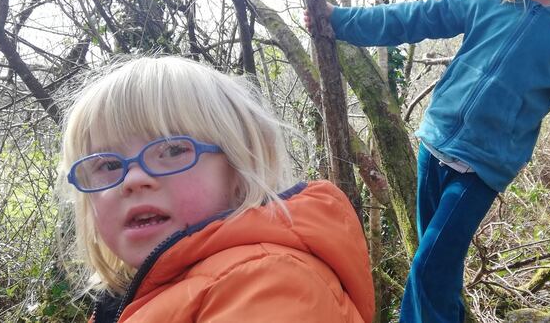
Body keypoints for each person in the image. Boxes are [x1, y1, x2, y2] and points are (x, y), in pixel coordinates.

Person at [306, 0, 550, 323]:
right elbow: (415, 18)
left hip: (481, 170)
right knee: (438, 274)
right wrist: (341, 21)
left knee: (428, 268)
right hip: (433, 147)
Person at [57, 56, 374, 322]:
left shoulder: (267, 280)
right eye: (108, 166)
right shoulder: (130, 296)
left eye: (172, 150)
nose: (132, 180)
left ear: (239, 167)